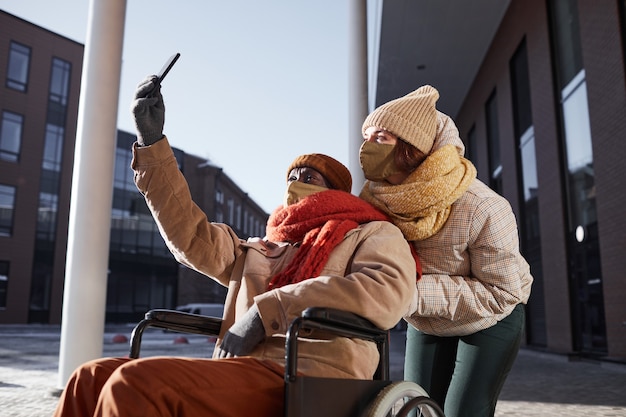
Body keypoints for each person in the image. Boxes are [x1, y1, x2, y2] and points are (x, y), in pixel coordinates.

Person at [52, 75, 418, 417]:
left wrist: (267, 311)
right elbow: (190, 236)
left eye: (310, 177)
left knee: (134, 384)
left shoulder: (371, 233)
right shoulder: (261, 248)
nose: (297, 183)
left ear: (335, 191)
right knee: (89, 376)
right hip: (240, 369)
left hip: (313, 375)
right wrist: (152, 145)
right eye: (292, 177)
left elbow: (384, 293)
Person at [358, 85, 533, 417]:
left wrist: (412, 292)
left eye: (380, 137)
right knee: (418, 408)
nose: (366, 146)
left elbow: (501, 292)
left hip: (492, 316)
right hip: (427, 319)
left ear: (412, 147)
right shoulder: (377, 204)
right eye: (366, 136)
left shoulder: (484, 208)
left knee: (460, 411)